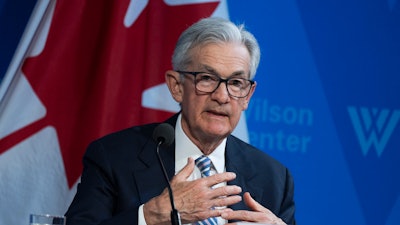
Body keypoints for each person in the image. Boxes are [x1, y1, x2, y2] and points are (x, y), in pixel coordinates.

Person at [65, 17, 296, 225]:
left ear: (247, 95)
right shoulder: (113, 158)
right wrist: (152, 215)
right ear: (176, 86)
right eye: (206, 78)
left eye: (236, 83)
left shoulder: (274, 178)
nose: (222, 96)